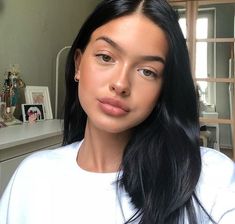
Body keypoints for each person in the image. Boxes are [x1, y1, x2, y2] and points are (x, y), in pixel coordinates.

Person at [0, 0, 235, 223]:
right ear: (78, 64)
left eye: (147, 71)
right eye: (106, 57)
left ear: (163, 88)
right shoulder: (32, 176)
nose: (121, 84)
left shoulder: (211, 177)